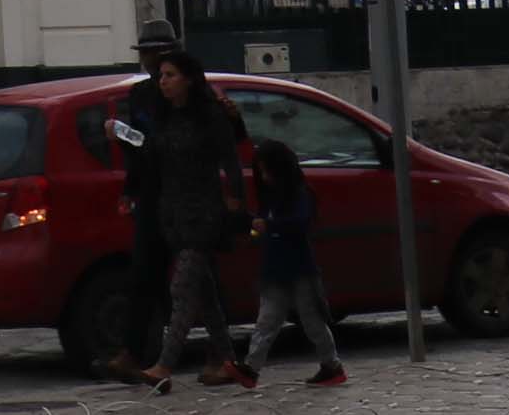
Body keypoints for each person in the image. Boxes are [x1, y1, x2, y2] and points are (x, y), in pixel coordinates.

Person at [131, 50, 254, 392]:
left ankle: (164, 365)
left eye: (170, 75)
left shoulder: (210, 116)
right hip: (173, 212)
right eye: (161, 76)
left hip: (204, 213)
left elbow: (231, 159)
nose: (163, 82)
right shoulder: (165, 116)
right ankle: (228, 360)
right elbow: (150, 156)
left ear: (188, 79)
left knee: (182, 287)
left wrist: (234, 200)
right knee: (204, 291)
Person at [97, 19, 184, 380]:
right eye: (148, 55)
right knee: (143, 275)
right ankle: (134, 351)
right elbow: (139, 147)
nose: (152, 63)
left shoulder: (187, 93)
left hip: (182, 194)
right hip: (151, 193)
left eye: (157, 55)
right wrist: (131, 187)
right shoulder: (140, 95)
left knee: (197, 279)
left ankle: (216, 351)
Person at [245, 138, 350, 387]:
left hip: (299, 268)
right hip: (275, 269)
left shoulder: (300, 194)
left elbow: (299, 223)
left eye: (267, 170)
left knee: (312, 320)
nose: (264, 176)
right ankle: (251, 368)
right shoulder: (270, 198)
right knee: (267, 320)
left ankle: (331, 364)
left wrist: (270, 226)